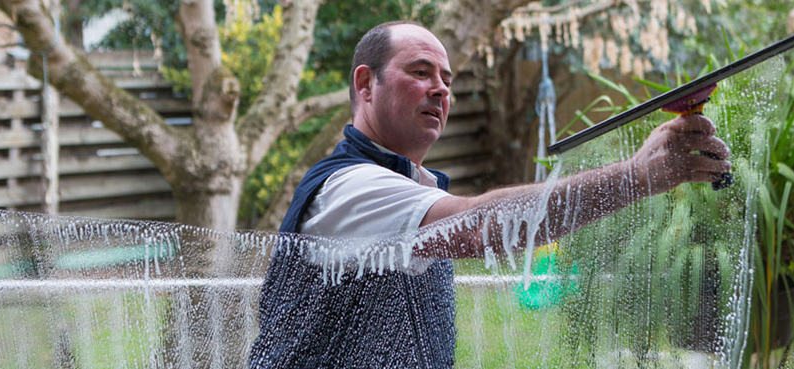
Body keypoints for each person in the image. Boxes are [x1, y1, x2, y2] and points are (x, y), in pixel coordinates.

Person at [248, 21, 731, 369]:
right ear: (365, 83)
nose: (439, 89)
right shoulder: (349, 188)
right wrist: (637, 176)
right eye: (420, 72)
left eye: (447, 80)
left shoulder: (411, 183)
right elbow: (479, 225)